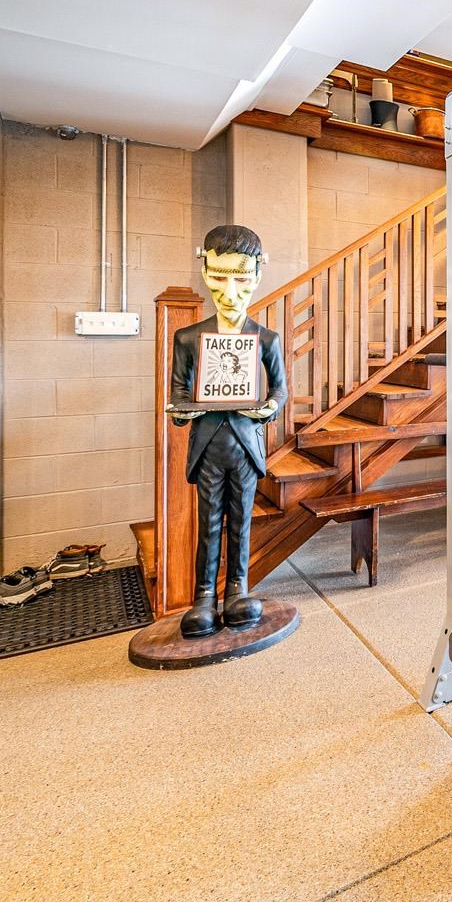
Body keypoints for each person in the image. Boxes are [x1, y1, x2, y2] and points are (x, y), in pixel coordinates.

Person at [167, 225, 288, 638]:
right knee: (209, 522)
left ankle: (238, 589)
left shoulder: (265, 338)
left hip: (246, 444)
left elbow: (280, 388)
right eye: (219, 276)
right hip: (207, 448)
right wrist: (180, 412)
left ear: (256, 275)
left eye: (240, 277)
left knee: (241, 522)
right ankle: (203, 596)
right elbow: (179, 390)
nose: (230, 289)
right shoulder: (188, 338)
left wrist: (269, 408)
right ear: (204, 271)